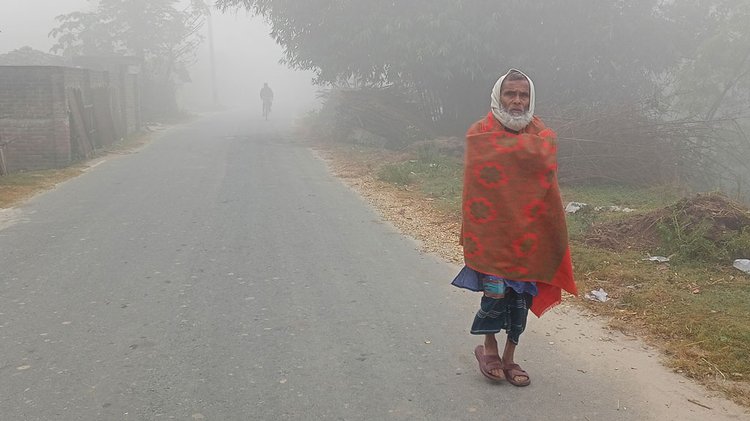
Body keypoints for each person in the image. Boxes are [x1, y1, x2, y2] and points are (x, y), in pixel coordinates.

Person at [451, 69, 578, 387]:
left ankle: (510, 355)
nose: (518, 100)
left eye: (524, 95)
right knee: (494, 294)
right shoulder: (480, 130)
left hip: (528, 235)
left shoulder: (542, 133)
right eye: (511, 94)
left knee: (520, 300)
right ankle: (490, 348)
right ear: (499, 96)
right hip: (492, 233)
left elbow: (546, 176)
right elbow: (476, 187)